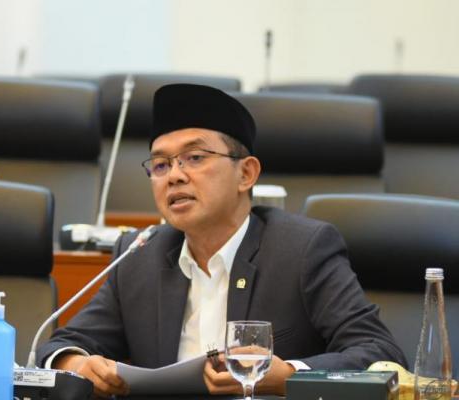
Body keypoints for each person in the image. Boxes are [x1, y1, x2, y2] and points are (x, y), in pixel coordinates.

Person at [37, 84, 407, 397]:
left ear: (246, 174)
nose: (174, 176)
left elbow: (381, 354)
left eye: (195, 157)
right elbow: (60, 346)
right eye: (161, 165)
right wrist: (78, 364)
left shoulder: (302, 249)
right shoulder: (140, 254)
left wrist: (288, 376)